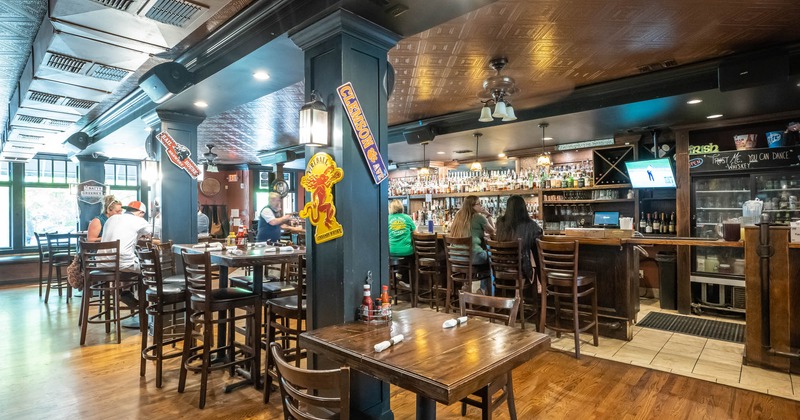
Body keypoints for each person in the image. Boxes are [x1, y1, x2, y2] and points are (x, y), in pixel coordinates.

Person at [101, 200, 152, 311]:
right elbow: (153, 233)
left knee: (127, 258)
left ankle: (124, 291)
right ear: (141, 213)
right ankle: (146, 305)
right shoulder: (139, 220)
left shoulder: (111, 218)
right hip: (122, 264)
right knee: (148, 268)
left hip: (102, 263)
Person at [448, 195, 495, 293]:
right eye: (479, 204)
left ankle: (467, 285)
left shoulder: (458, 215)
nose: (481, 206)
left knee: (481, 257)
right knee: (492, 256)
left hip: (454, 257)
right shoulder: (479, 217)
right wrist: (488, 215)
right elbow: (493, 232)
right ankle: (483, 290)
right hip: (471, 257)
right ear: (472, 206)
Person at [495, 195, 543, 286]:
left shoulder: (500, 222)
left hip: (500, 266)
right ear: (523, 208)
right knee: (537, 254)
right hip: (521, 268)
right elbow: (539, 234)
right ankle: (541, 285)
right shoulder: (530, 225)